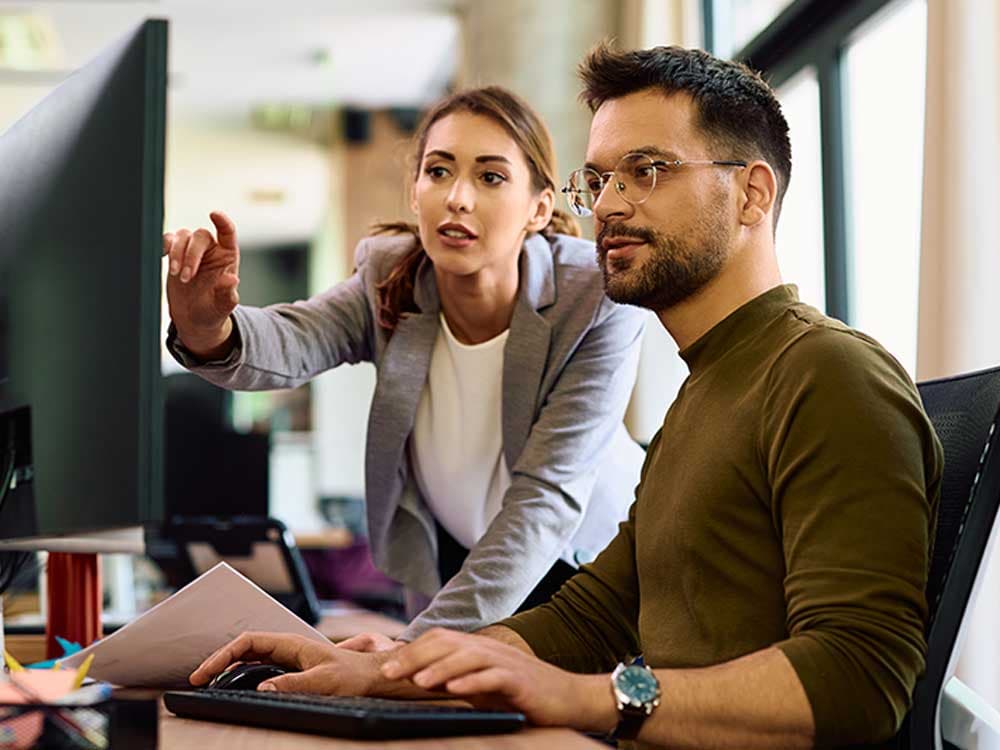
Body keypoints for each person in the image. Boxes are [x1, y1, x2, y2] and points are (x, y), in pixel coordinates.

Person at [189, 45, 943, 749]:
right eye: (601, 178)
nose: (609, 204)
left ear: (751, 193)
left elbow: (861, 680)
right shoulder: (703, 391)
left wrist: (589, 699)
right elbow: (594, 613)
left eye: (646, 170)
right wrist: (387, 668)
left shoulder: (828, 372)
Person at [164, 85, 646, 641]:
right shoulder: (391, 278)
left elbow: (545, 500)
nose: (457, 197)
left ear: (538, 208)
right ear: (415, 194)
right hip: (460, 570)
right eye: (438, 172)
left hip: (589, 573)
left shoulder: (594, 297)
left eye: (490, 177)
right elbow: (295, 339)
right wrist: (209, 327)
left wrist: (410, 650)